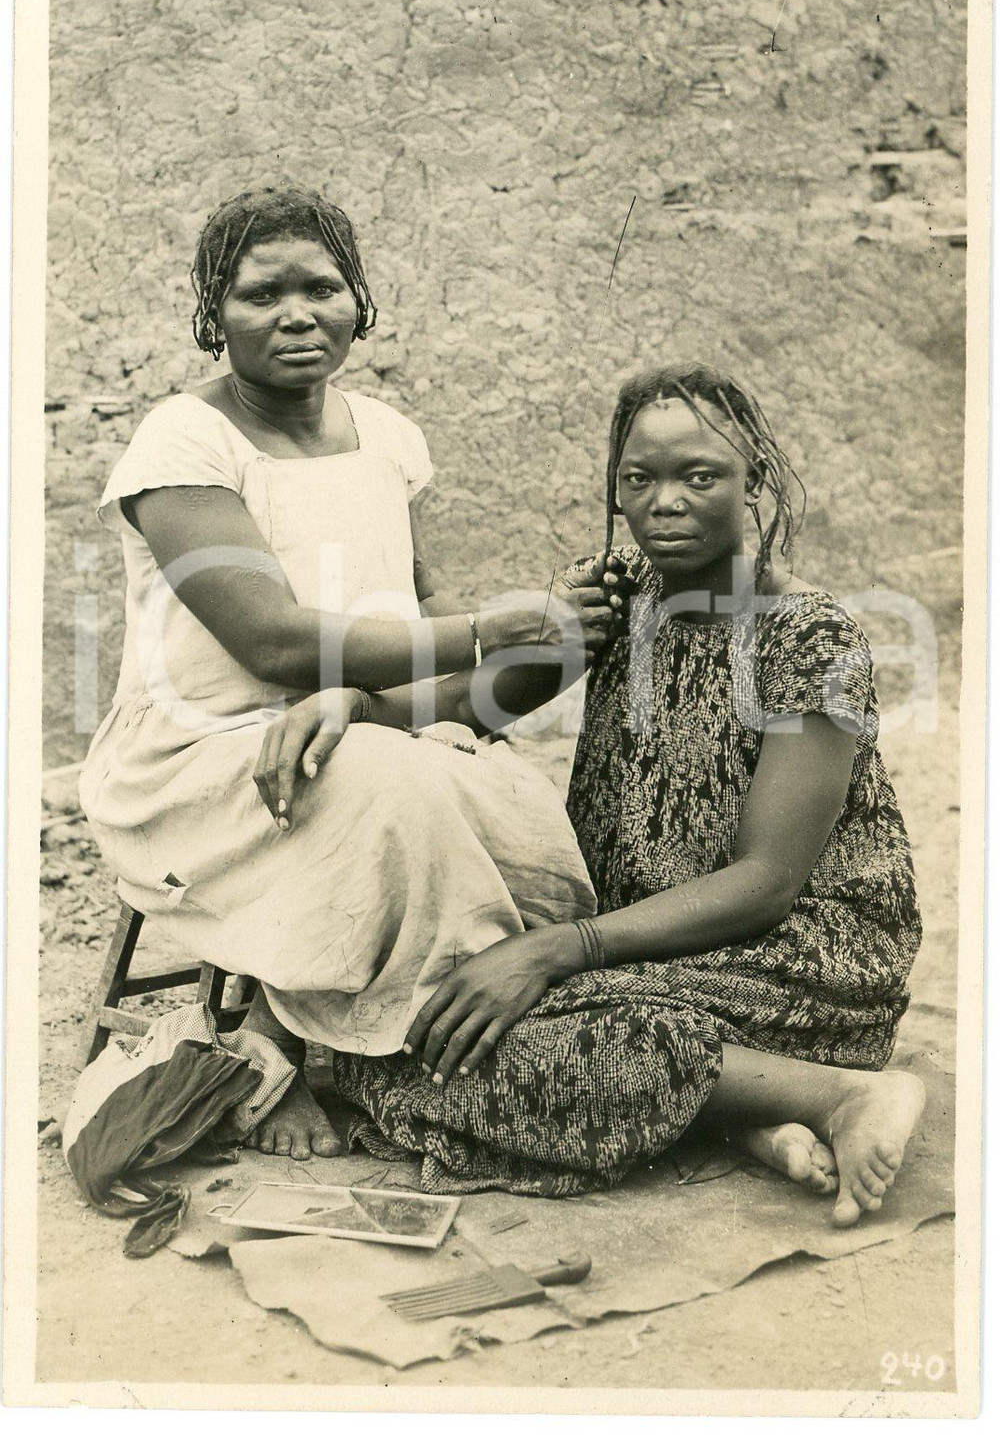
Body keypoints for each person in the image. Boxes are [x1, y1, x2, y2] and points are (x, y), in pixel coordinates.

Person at [313, 364, 925, 1227]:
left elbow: (768, 882)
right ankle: (743, 1108)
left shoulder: (808, 639)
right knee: (416, 1029)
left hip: (796, 957)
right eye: (639, 479)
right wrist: (358, 706)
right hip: (639, 950)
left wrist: (557, 949)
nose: (664, 502)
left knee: (548, 1042)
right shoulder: (614, 594)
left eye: (699, 476)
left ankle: (843, 1093)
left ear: (753, 478)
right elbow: (476, 701)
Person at [79, 185, 617, 1162]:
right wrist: (488, 627)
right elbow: (276, 646)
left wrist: (556, 640)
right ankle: (293, 1039)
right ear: (213, 314)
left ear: (358, 301)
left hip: (358, 722)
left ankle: (446, 1029)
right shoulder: (183, 440)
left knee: (511, 798)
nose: (297, 314)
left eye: (322, 288)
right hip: (203, 754)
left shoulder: (390, 439)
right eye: (261, 294)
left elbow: (420, 646)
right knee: (387, 787)